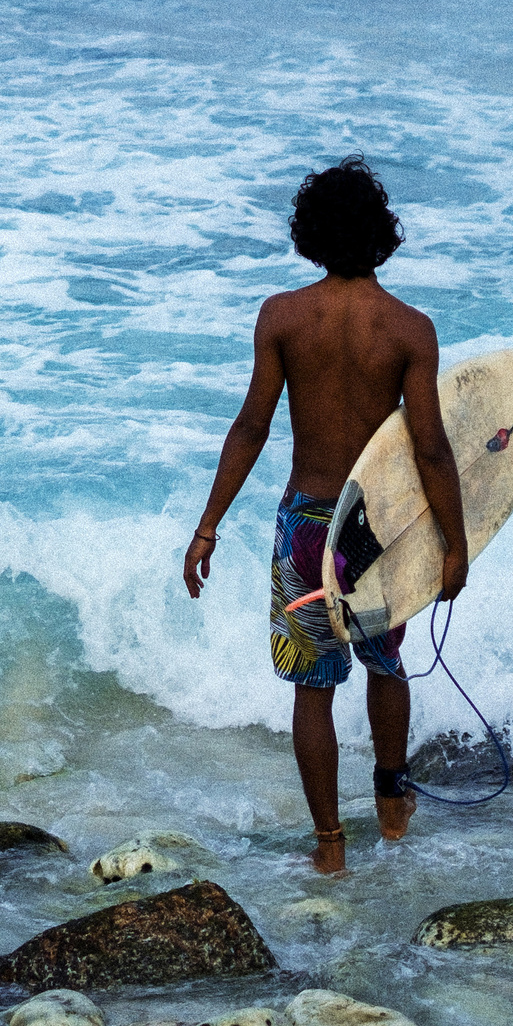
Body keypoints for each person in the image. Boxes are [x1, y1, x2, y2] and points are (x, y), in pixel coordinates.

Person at [182, 156, 467, 876]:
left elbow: (251, 425)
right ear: (381, 233)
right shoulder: (410, 330)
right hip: (376, 526)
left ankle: (330, 845)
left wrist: (208, 523)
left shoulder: (283, 316)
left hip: (307, 524)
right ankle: (393, 806)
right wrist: (455, 542)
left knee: (314, 686)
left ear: (309, 233)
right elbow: (430, 446)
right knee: (386, 663)